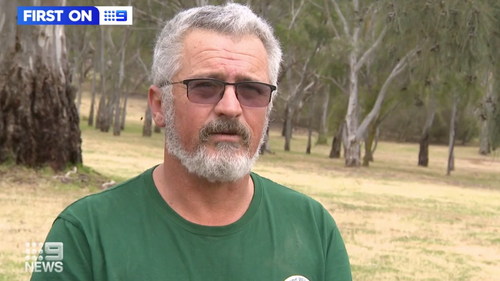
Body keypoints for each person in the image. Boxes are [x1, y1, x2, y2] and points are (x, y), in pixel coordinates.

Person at [31, 3, 352, 281]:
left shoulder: (313, 228)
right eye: (205, 87)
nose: (230, 106)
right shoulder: (84, 234)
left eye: (251, 90)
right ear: (159, 105)